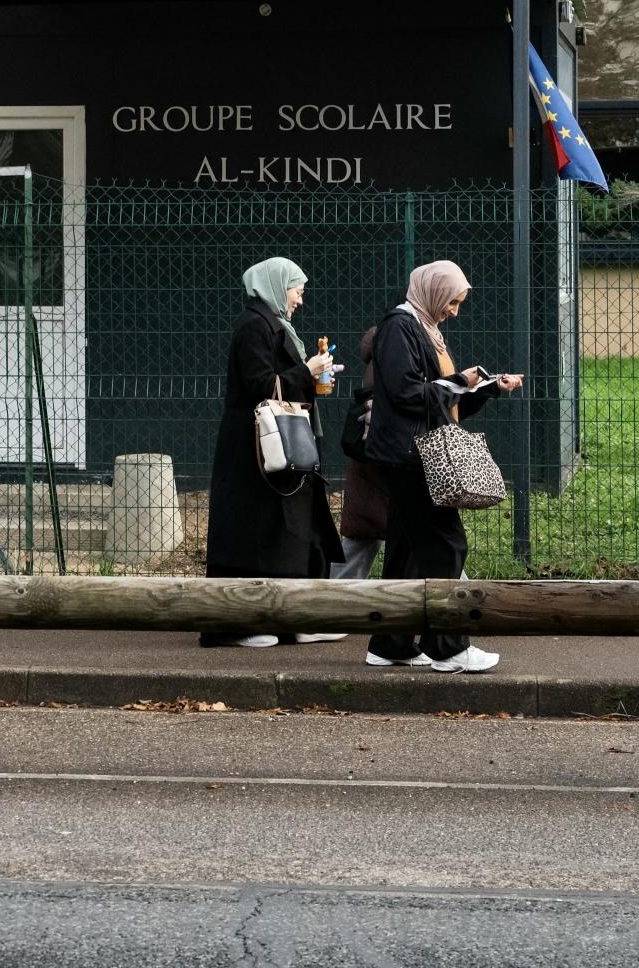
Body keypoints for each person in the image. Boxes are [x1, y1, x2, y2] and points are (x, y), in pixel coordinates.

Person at [364, 260, 523, 673]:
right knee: (447, 545)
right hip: (411, 455)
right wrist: (459, 383)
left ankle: (390, 643)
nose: (454, 310)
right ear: (433, 292)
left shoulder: (425, 328)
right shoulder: (401, 327)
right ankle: (448, 647)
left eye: (458, 302)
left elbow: (442, 402)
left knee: (406, 552)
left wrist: (485, 388)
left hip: (409, 452)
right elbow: (407, 394)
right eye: (451, 301)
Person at [200, 256, 346, 650]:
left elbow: (276, 382)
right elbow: (259, 384)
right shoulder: (254, 326)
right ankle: (241, 623)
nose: (300, 298)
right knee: (258, 533)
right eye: (297, 288)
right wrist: (307, 371)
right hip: (255, 454)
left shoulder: (275, 325)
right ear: (277, 286)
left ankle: (295, 619)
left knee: (289, 531)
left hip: (276, 451)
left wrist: (313, 375)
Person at [335, 321, 388, 581]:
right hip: (382, 458)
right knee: (430, 538)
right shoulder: (393, 347)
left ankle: (328, 596)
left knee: (362, 538)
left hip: (373, 461)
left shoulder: (382, 349)